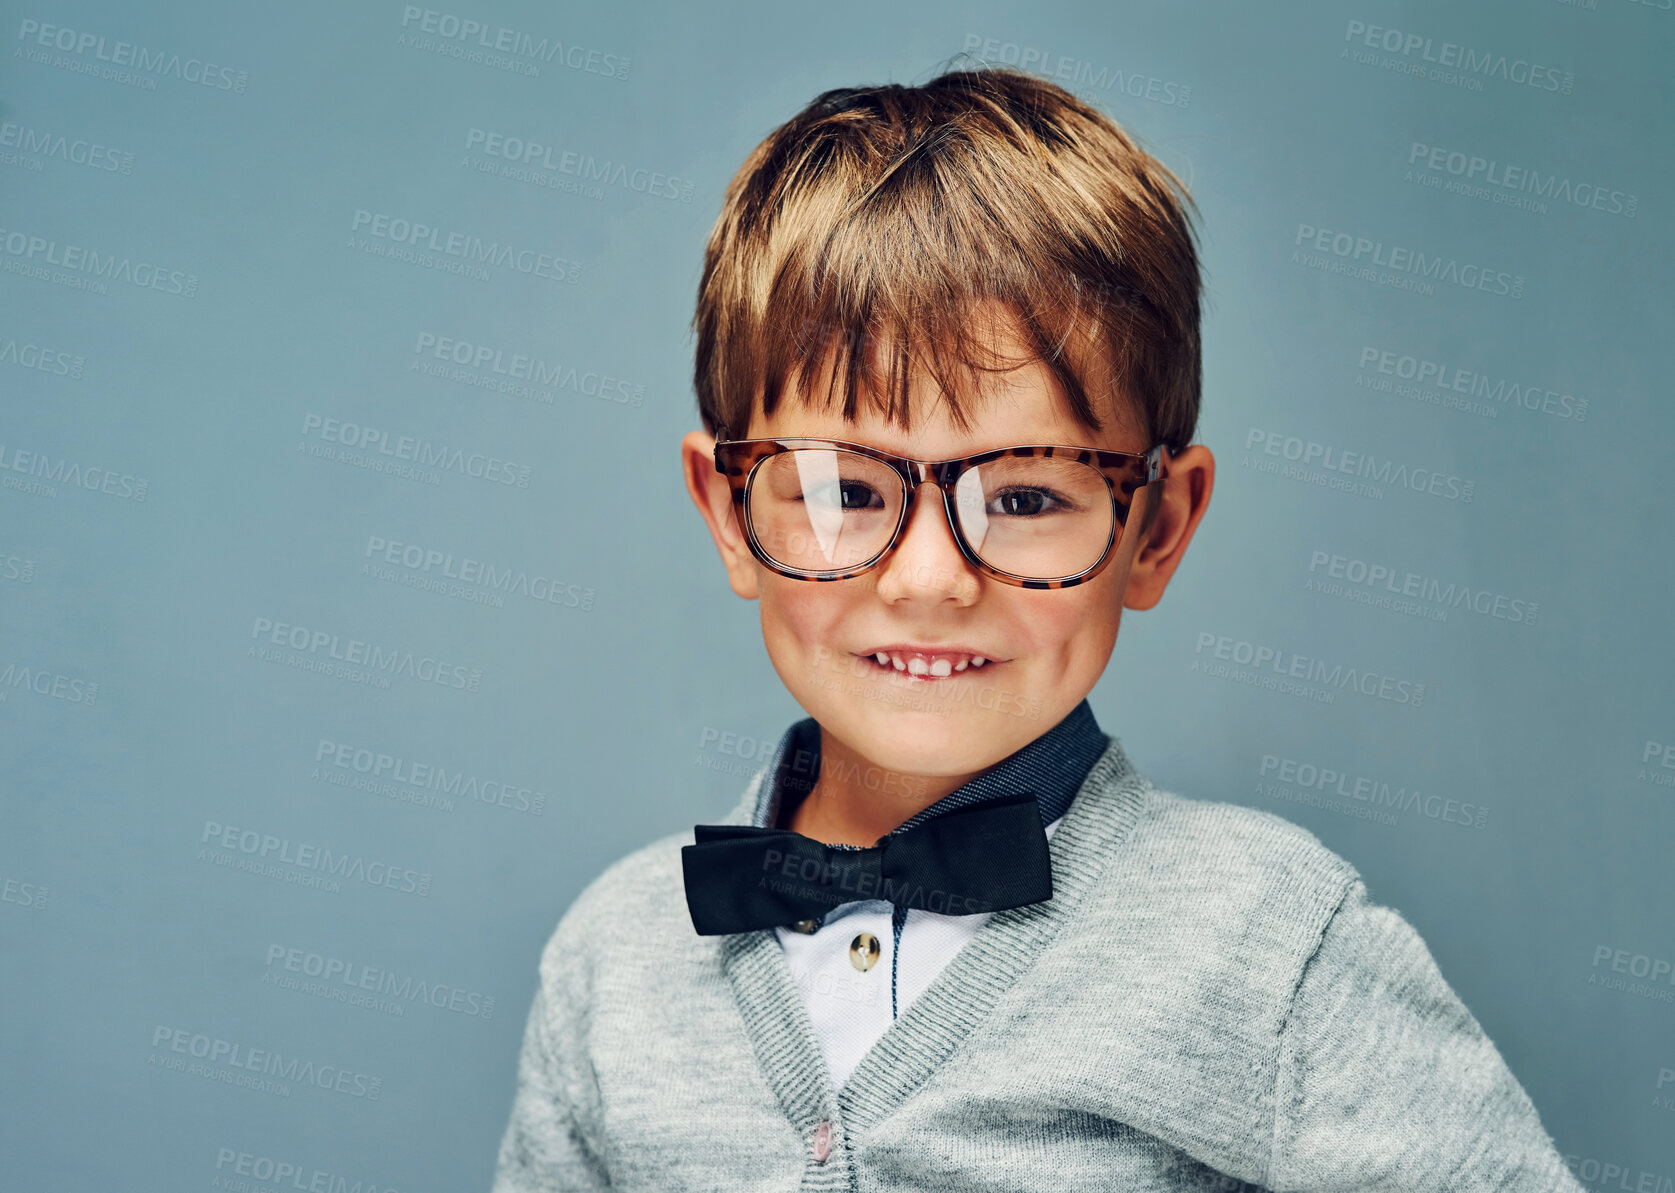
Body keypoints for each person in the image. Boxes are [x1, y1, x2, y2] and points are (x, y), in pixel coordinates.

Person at [490, 66, 1581, 1191]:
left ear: (1156, 526)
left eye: (1023, 497)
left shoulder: (1270, 942)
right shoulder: (613, 957)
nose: (927, 579)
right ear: (728, 511)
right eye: (846, 490)